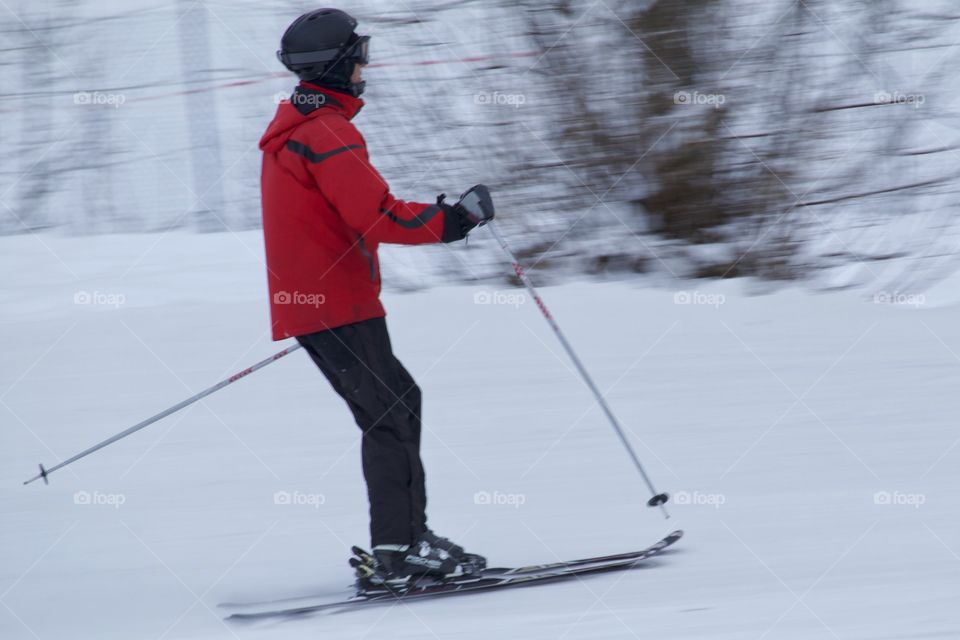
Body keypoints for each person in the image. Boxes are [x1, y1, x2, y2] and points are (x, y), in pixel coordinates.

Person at [259, 8, 494, 587]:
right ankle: (401, 551)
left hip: (321, 304)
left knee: (397, 404)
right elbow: (378, 216)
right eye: (359, 56)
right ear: (335, 65)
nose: (366, 66)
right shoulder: (327, 132)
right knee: (390, 415)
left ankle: (403, 542)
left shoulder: (297, 129)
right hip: (336, 304)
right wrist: (456, 220)